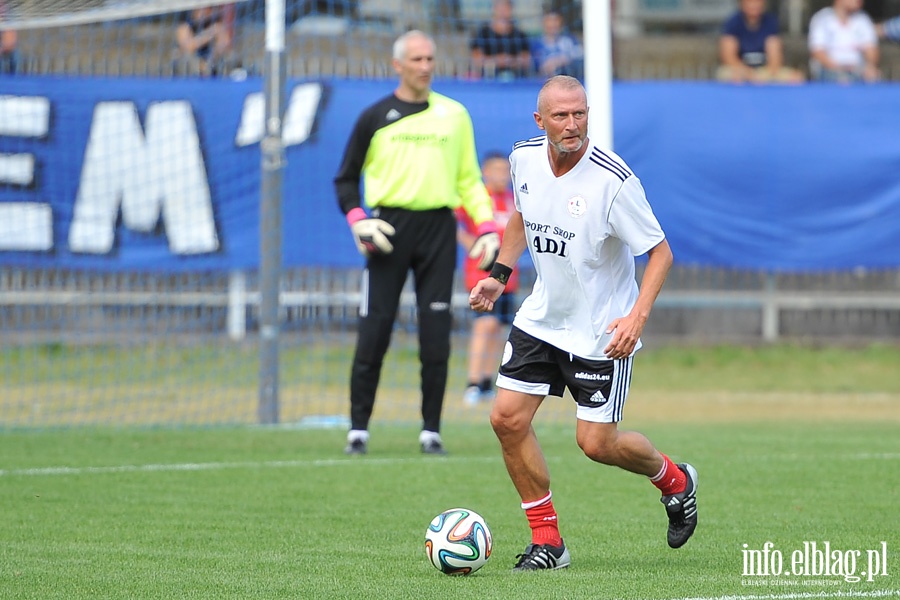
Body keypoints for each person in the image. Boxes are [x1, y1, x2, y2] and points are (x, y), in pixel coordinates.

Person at [469, 75, 698, 571]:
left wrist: (636, 318)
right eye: (561, 116)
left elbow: (660, 253)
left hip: (600, 331)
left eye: (580, 114)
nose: (572, 125)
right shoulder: (523, 157)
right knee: (505, 420)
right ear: (540, 120)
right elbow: (522, 213)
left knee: (597, 445)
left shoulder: (613, 181)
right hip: (543, 317)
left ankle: (676, 481)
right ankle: (548, 542)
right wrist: (499, 275)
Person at [334, 30, 501, 456]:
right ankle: (358, 429)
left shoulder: (454, 115)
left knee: (436, 335)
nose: (425, 66)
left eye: (430, 58)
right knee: (374, 331)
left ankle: (431, 431)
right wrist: (359, 221)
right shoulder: (375, 116)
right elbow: (346, 178)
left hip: (438, 231)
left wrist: (486, 228)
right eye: (417, 59)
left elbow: (469, 180)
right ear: (398, 64)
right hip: (388, 231)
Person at [456, 152, 520, 406]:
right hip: (481, 273)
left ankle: (485, 382)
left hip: (507, 276)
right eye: (496, 170)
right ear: (485, 172)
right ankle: (472, 382)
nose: (502, 176)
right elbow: (451, 220)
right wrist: (471, 243)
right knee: (484, 324)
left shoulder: (512, 201)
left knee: (498, 328)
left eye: (506, 171)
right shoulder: (477, 199)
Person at [717, 0, 804, 83]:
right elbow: (729, 57)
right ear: (741, 3)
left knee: (796, 77)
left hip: (764, 70)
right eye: (750, 2)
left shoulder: (771, 22)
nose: (754, 5)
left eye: (757, 1)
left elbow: (775, 57)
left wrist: (764, 74)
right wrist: (747, 73)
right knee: (733, 77)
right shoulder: (732, 23)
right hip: (739, 69)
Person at [808, 0, 879, 83]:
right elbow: (818, 52)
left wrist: (870, 66)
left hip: (857, 71)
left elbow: (871, 50)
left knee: (873, 76)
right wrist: (840, 70)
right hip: (829, 71)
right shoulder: (822, 18)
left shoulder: (863, 19)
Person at [469, 0, 532, 81]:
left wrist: (510, 61)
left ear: (511, 9)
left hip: (516, 80)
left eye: (506, 7)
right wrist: (496, 60)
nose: (502, 11)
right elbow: (476, 60)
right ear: (494, 9)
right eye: (499, 7)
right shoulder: (483, 33)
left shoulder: (520, 35)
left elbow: (526, 60)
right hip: (488, 80)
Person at [173, 4, 236, 77]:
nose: (204, 11)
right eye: (200, 9)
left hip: (210, 61)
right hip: (192, 62)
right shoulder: (185, 25)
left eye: (207, 8)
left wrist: (216, 52)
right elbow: (188, 47)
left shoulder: (215, 23)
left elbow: (225, 43)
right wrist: (209, 33)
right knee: (187, 56)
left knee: (229, 54)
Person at [531, 10, 583, 79]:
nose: (553, 24)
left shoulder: (569, 40)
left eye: (555, 20)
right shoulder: (537, 44)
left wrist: (559, 60)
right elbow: (535, 65)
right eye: (550, 21)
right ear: (544, 24)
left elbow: (580, 54)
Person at [0, 0, 17, 75]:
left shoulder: (9, 22)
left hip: (6, 50)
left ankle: (12, 78)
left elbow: (11, 41)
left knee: (15, 56)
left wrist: (3, 48)